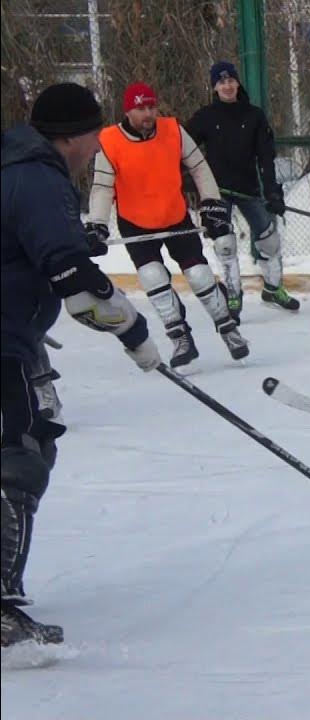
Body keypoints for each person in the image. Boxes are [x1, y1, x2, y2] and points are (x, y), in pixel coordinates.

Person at [2, 83, 162, 648]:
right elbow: (79, 286)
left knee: (32, 439)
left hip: (16, 334)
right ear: (70, 135)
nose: (100, 142)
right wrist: (136, 332)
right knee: (19, 452)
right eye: (94, 132)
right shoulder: (39, 179)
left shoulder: (17, 163)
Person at [86, 81, 248, 371]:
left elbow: (199, 167)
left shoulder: (172, 130)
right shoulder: (109, 140)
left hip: (174, 216)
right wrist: (97, 224)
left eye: (151, 106)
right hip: (135, 222)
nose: (148, 113)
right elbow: (101, 187)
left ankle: (228, 329)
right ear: (128, 111)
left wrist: (211, 204)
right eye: (140, 108)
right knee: (152, 277)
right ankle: (180, 336)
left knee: (199, 275)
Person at [186, 60, 300, 320]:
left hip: (249, 189)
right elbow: (183, 149)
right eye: (221, 82)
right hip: (217, 191)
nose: (227, 86)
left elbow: (266, 156)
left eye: (230, 80)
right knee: (225, 244)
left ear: (237, 83)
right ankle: (233, 295)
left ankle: (273, 289)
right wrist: (190, 179)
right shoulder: (205, 117)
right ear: (214, 87)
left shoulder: (254, 115)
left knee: (269, 240)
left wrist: (272, 191)